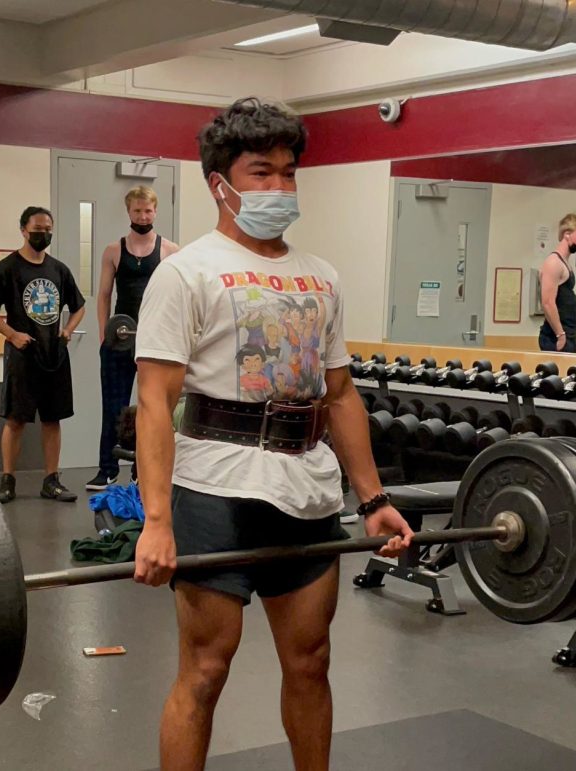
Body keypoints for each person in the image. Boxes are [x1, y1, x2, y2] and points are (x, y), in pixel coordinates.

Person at [132, 97, 413, 771]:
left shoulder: (321, 275)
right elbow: (154, 400)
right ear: (219, 183)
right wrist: (157, 519)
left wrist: (373, 499)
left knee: (311, 661)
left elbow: (339, 393)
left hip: (307, 490)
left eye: (289, 174)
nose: (279, 189)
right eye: (262, 173)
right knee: (204, 670)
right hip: (214, 489)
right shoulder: (185, 272)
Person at [0, 206, 85, 504]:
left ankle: (51, 480)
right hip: (23, 355)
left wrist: (68, 330)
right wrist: (11, 333)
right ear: (23, 230)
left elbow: (79, 306)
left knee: (53, 419)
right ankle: (7, 481)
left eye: (48, 229)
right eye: (37, 229)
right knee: (15, 419)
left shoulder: (59, 269)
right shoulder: (9, 268)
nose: (43, 234)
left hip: (54, 356)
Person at [89, 186, 179, 490]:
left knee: (151, 405)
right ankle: (107, 469)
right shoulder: (113, 250)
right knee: (112, 406)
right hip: (120, 339)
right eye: (137, 210)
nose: (143, 215)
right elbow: (103, 295)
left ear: (155, 211)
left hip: (154, 342)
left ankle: (144, 468)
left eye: (148, 210)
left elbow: (177, 296)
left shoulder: (170, 251)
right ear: (129, 212)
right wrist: (104, 333)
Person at [538, 213, 576, 353]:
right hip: (556, 336)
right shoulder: (553, 263)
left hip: (569, 333)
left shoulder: (565, 263)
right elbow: (547, 302)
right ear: (567, 234)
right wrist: (560, 335)